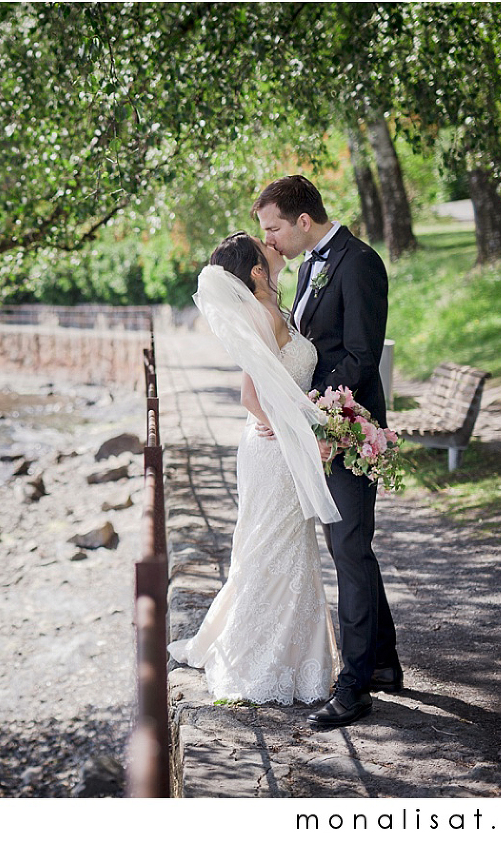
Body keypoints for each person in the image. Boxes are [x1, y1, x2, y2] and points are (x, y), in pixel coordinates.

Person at [168, 233, 341, 706]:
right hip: (273, 448)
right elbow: (250, 396)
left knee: (277, 545)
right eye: (265, 250)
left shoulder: (269, 311)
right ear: (258, 271)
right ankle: (259, 660)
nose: (274, 248)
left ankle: (290, 660)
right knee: (273, 547)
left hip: (273, 446)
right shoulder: (261, 316)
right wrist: (300, 433)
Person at [254, 175, 401, 729]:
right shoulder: (313, 262)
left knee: (350, 550)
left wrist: (314, 411)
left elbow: (361, 357)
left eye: (274, 228)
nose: (270, 239)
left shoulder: (358, 262)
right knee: (351, 547)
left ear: (303, 222)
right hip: (324, 426)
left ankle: (355, 688)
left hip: (348, 426)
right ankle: (382, 665)